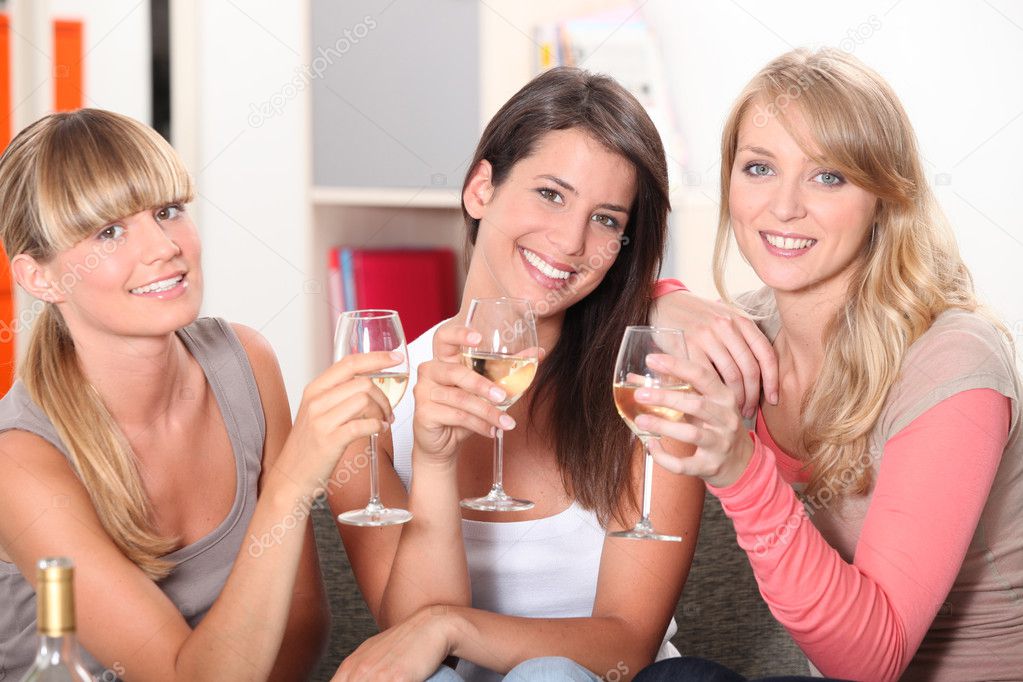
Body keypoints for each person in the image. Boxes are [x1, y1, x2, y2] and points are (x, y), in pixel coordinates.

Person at [632, 48, 1023, 681]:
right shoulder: (742, 333)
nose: (784, 207)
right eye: (759, 167)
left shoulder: (952, 362)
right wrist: (661, 302)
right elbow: (568, 317)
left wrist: (740, 469)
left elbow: (874, 661)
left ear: (886, 199)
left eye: (828, 177)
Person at [327, 67, 705, 681]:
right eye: (551, 194)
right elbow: (413, 650)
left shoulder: (650, 398)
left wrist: (453, 624)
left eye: (607, 219)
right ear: (482, 188)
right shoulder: (368, 404)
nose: (569, 241)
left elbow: (627, 644)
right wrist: (435, 462)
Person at [0, 109, 400, 680]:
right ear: (40, 278)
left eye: (168, 212)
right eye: (109, 231)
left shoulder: (245, 364)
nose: (164, 246)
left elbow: (303, 625)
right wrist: (291, 487)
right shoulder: (19, 461)